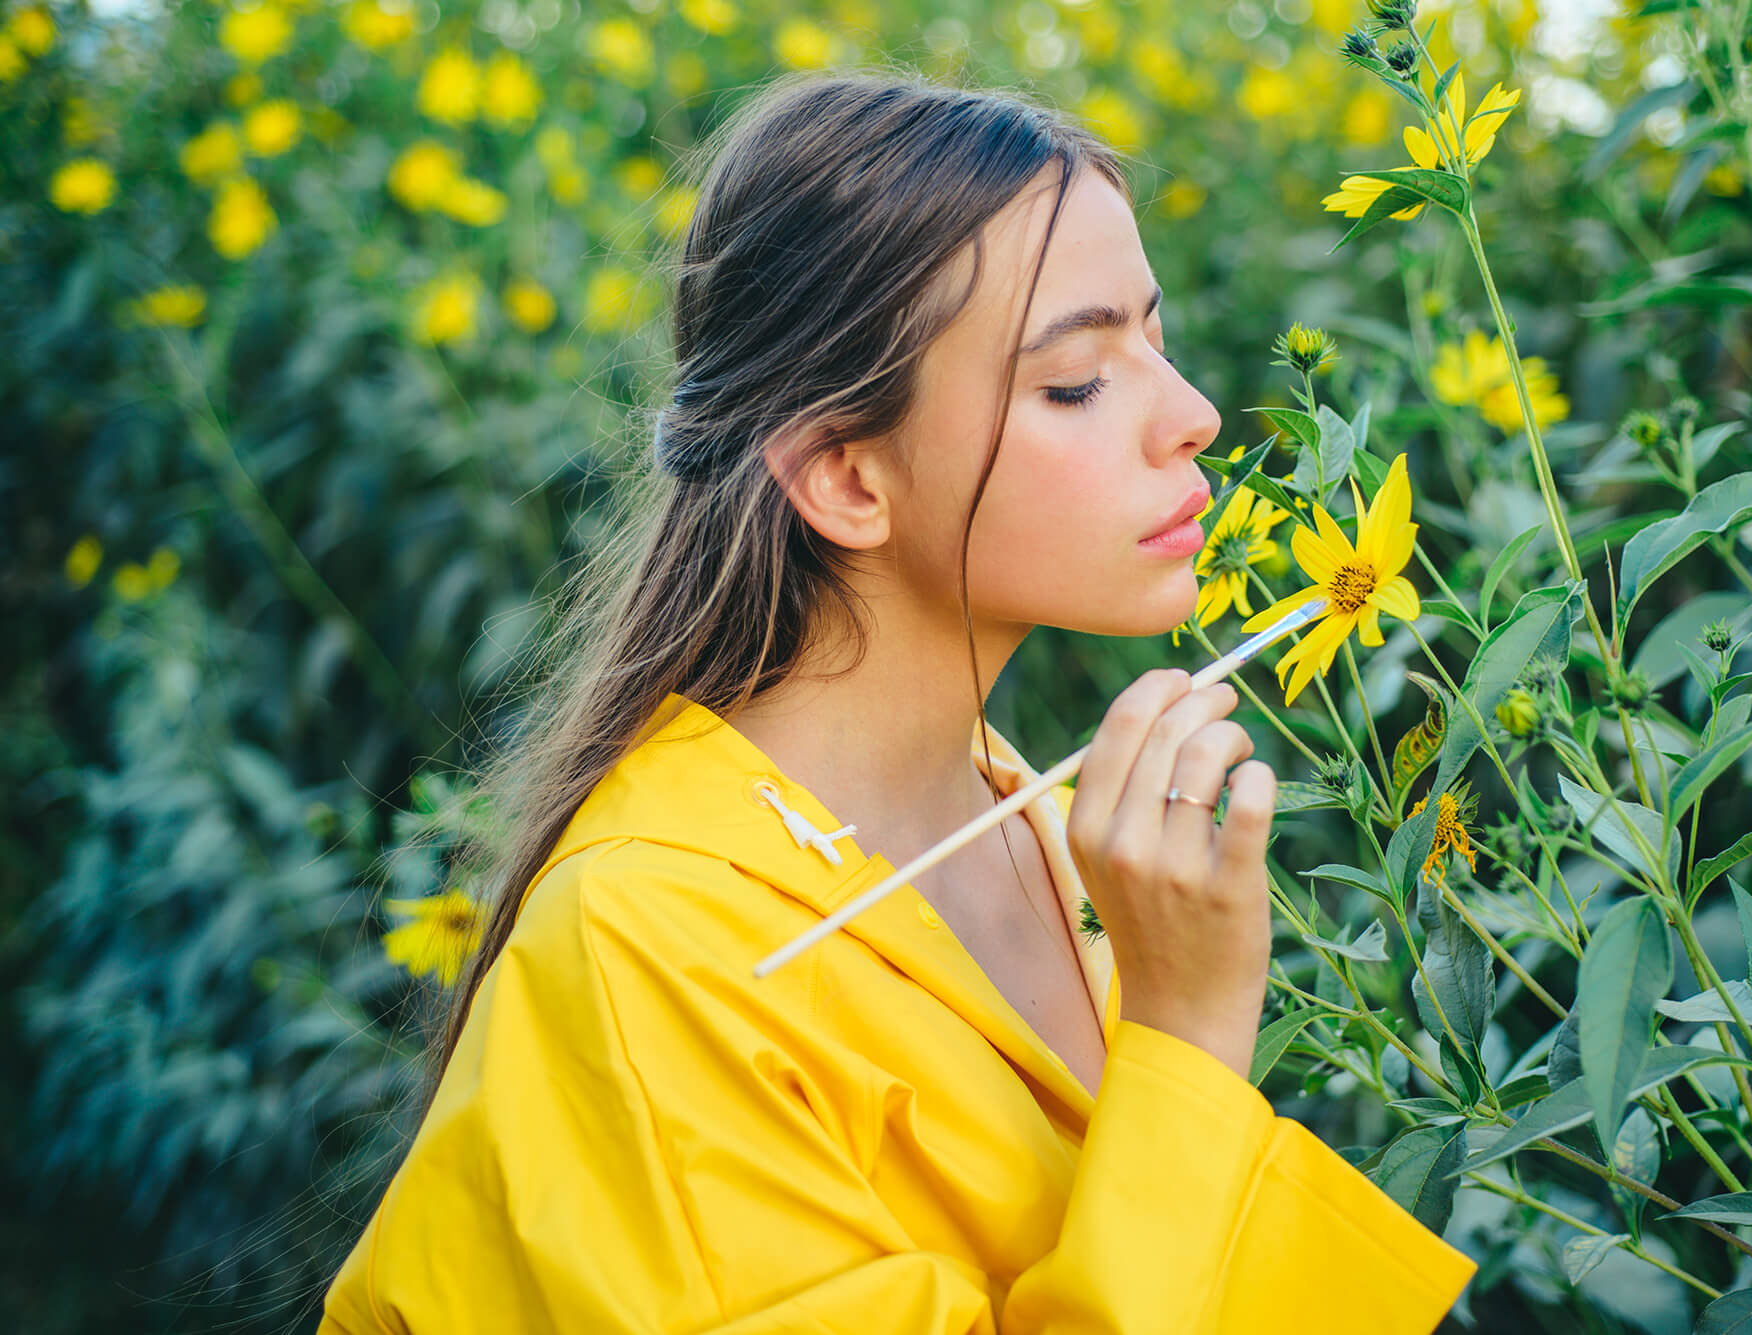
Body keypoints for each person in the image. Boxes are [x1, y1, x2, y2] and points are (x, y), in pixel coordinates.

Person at [318, 69, 1475, 1334]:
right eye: (1077, 382)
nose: (1194, 417)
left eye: (1155, 336)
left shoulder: (1026, 814)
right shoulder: (649, 953)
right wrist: (1188, 1035)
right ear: (848, 479)